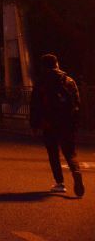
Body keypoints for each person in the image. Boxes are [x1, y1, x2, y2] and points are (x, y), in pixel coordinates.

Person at [30, 54, 84, 197]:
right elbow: (77, 103)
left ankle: (59, 183)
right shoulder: (68, 80)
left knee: (53, 153)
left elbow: (35, 105)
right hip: (67, 123)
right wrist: (75, 123)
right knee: (70, 152)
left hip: (49, 124)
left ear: (43, 66)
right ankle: (76, 171)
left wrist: (34, 125)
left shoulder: (41, 82)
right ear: (57, 64)